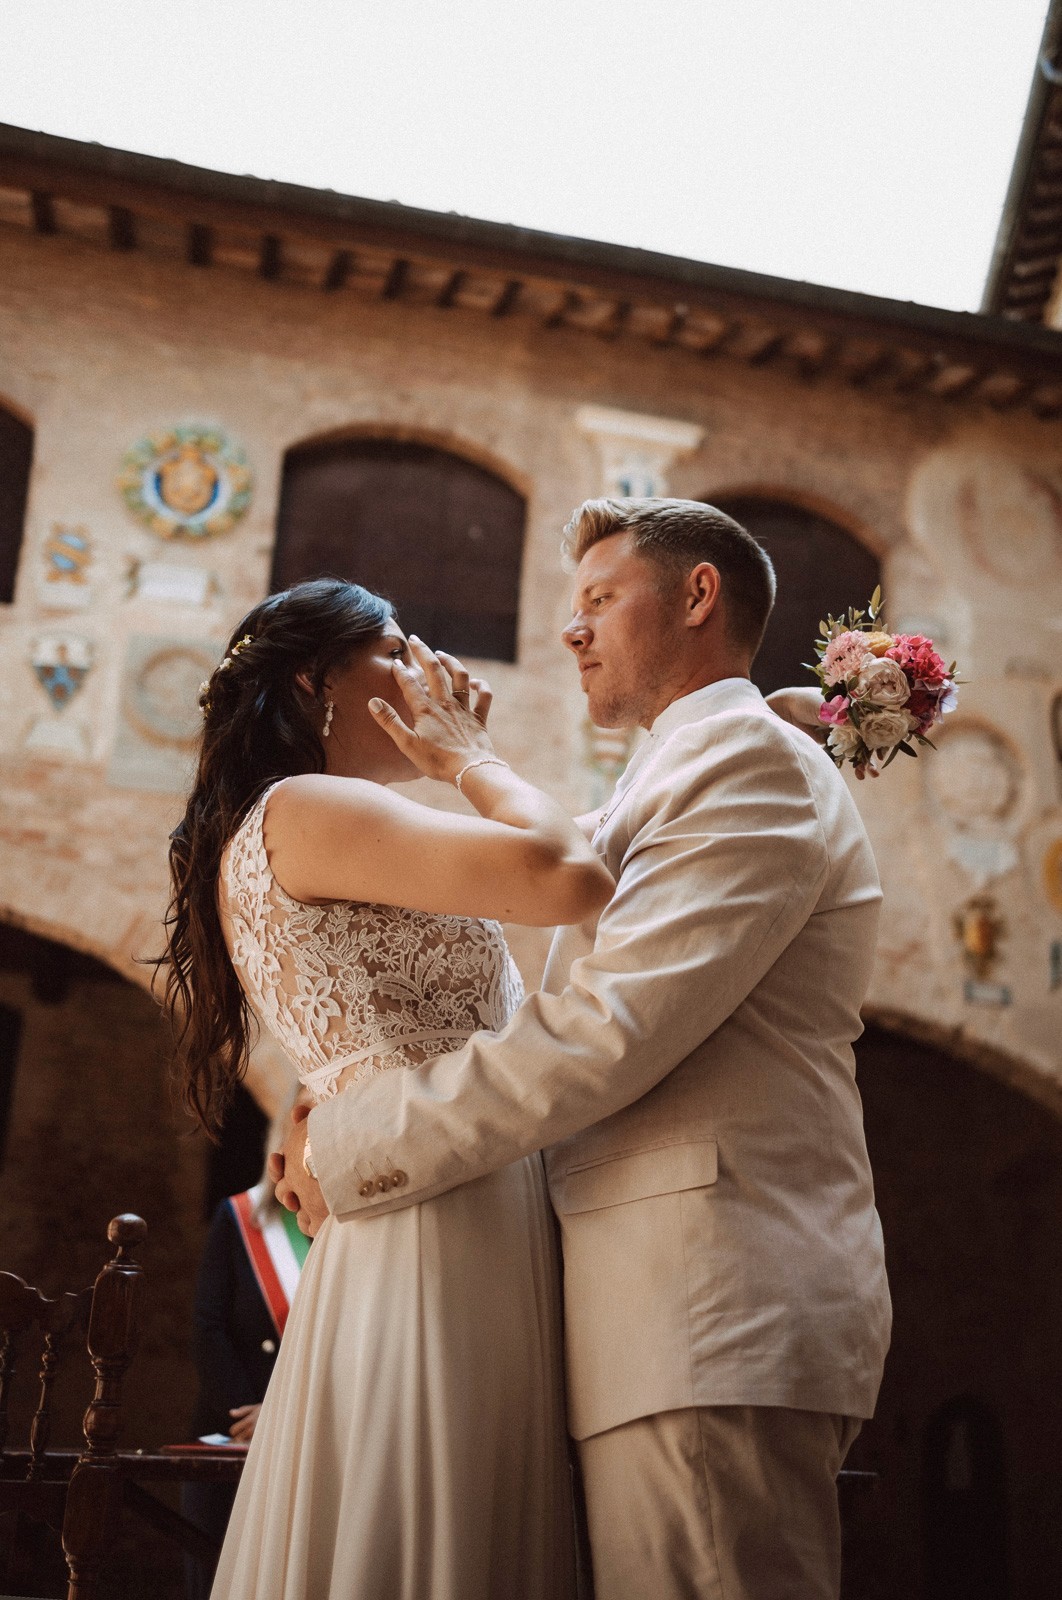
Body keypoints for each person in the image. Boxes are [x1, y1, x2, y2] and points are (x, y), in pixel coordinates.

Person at [276, 499, 892, 1600]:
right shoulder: (682, 773)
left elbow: (606, 1034)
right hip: (649, 1313)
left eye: (600, 600)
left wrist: (355, 1144)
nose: (572, 630)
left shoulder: (749, 766)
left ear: (698, 596)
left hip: (707, 1300)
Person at [159, 576, 614, 1600]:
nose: (425, 671)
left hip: (436, 1170)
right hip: (437, 1201)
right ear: (320, 680)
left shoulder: (321, 818)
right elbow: (571, 875)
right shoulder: (309, 805)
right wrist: (471, 759)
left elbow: (583, 846)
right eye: (397, 649)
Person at [183, 1095, 310, 1600]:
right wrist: (249, 1411)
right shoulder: (239, 1218)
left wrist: (281, 1414)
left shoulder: (345, 1232)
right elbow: (207, 1326)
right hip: (231, 1425)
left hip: (303, 1432)